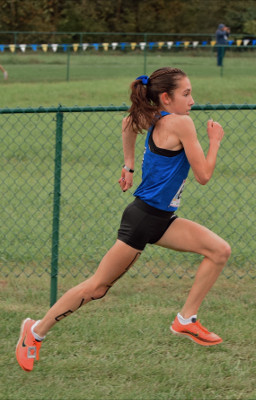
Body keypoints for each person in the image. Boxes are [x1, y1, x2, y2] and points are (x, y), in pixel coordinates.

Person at [16, 67, 231, 372]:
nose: (192, 100)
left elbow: (128, 122)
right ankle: (34, 331)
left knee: (219, 250)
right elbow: (204, 175)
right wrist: (215, 141)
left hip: (162, 219)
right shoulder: (181, 123)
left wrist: (129, 165)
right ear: (166, 98)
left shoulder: (156, 116)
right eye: (186, 94)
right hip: (143, 219)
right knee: (98, 287)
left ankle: (186, 319)